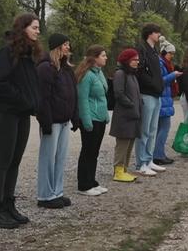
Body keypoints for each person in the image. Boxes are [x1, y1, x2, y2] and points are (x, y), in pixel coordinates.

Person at [0, 13, 41, 229]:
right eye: (35, 27)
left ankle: (10, 206)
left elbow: (29, 85)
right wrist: (23, 101)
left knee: (15, 162)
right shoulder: (7, 52)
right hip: (6, 114)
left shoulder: (29, 54)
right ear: (23, 28)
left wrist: (32, 103)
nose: (38, 31)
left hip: (22, 114)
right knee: (3, 162)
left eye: (38, 28)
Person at [35, 33, 78, 209]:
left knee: (60, 157)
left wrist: (75, 116)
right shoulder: (46, 68)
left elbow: (73, 95)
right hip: (51, 121)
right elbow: (43, 98)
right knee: (47, 158)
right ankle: (45, 195)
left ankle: (57, 192)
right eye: (66, 44)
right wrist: (45, 121)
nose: (68, 47)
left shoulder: (66, 69)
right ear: (57, 47)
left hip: (64, 120)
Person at [135, 23, 171, 176]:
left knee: (152, 129)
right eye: (157, 32)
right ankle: (141, 163)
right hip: (147, 94)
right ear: (150, 34)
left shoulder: (154, 51)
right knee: (144, 130)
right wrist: (154, 84)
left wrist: (158, 85)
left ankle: (149, 160)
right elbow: (141, 72)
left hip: (156, 95)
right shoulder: (141, 49)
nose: (159, 35)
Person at [75, 45, 110, 196]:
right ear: (94, 58)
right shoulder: (87, 75)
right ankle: (84, 185)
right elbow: (82, 99)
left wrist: (106, 114)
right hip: (91, 118)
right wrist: (86, 120)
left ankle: (92, 181)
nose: (106, 57)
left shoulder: (99, 73)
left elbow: (103, 96)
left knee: (94, 152)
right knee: (87, 151)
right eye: (103, 55)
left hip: (100, 118)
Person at [109, 48, 142, 183]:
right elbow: (119, 93)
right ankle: (118, 170)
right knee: (122, 143)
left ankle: (124, 169)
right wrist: (131, 105)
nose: (136, 62)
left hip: (133, 115)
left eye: (137, 60)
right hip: (124, 116)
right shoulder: (120, 73)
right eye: (134, 59)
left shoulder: (132, 75)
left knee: (130, 142)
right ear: (126, 60)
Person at [154, 37, 182, 165]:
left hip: (166, 98)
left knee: (162, 128)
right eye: (170, 53)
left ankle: (159, 153)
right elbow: (161, 80)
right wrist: (173, 75)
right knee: (164, 128)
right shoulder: (160, 63)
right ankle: (158, 155)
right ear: (165, 52)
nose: (172, 56)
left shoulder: (165, 63)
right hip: (162, 98)